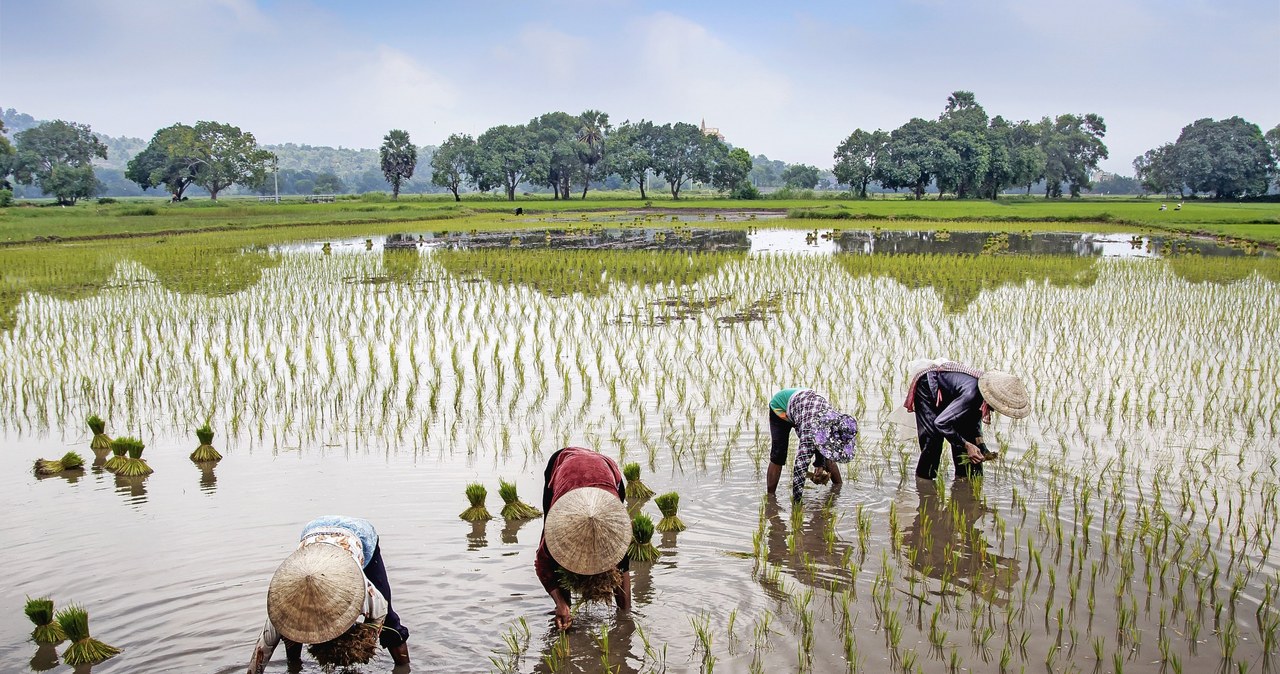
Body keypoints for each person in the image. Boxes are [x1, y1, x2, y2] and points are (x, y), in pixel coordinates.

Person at [247, 516, 410, 673]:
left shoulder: (365, 592)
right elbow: (262, 653)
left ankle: (404, 668)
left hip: (359, 534)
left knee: (391, 625)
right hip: (313, 533)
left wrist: (363, 642)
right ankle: (294, 666)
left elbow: (380, 616)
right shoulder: (281, 611)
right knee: (290, 633)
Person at [536, 446, 633, 631]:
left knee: (616, 552)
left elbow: (623, 561)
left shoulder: (616, 526)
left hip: (605, 468)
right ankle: (565, 610)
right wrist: (560, 603)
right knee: (557, 559)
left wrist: (626, 616)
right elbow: (543, 564)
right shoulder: (558, 524)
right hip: (564, 464)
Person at [903, 360, 1030, 480]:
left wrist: (981, 447)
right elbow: (940, 423)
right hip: (928, 386)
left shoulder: (981, 397)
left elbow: (973, 423)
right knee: (933, 442)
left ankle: (964, 479)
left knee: (968, 439)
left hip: (954, 394)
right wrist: (967, 445)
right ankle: (924, 483)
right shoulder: (972, 395)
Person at [767, 388, 859, 501]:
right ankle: (770, 498)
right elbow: (800, 468)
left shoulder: (834, 421)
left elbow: (825, 447)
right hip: (781, 407)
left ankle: (837, 490)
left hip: (805, 408)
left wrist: (820, 465)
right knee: (778, 454)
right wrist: (797, 507)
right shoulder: (809, 431)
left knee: (830, 453)